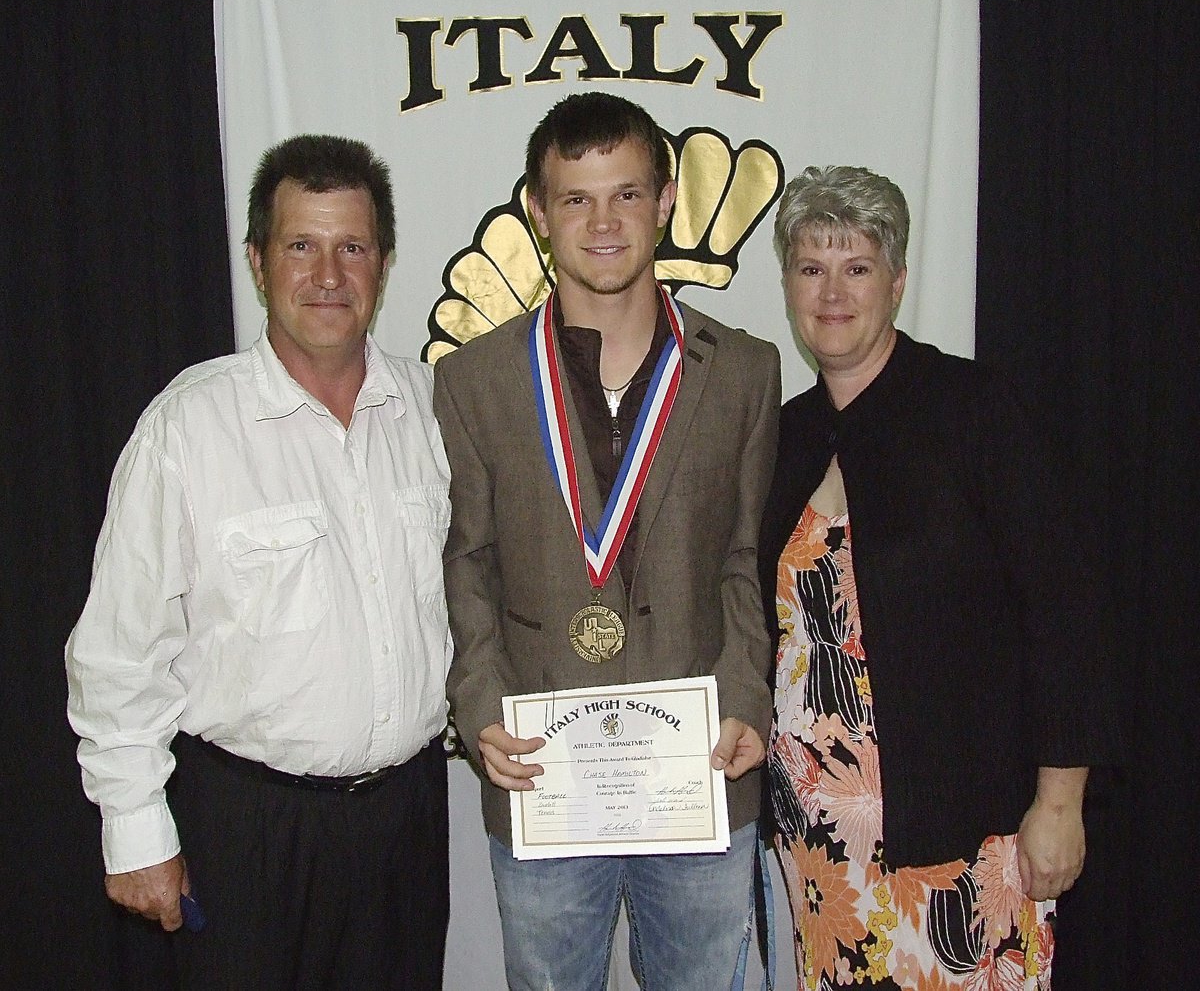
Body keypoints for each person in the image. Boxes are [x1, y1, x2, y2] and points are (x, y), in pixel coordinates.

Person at [65, 134, 451, 989]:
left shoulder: (428, 410)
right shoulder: (188, 427)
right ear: (256, 260)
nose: (327, 275)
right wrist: (134, 830)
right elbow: (119, 651)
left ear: (383, 264)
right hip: (250, 835)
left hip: (408, 827)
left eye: (351, 247)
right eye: (300, 246)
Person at [434, 92, 781, 991]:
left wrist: (747, 693)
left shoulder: (745, 371)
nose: (602, 221)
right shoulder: (473, 382)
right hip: (542, 770)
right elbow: (465, 563)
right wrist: (480, 705)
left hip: (701, 767)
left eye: (626, 194)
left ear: (666, 201)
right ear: (538, 211)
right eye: (576, 198)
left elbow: (747, 557)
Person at [760, 166, 1110, 989]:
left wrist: (1061, 801)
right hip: (819, 844)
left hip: (962, 839)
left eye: (858, 267)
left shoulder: (975, 408)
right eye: (812, 268)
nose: (833, 292)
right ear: (788, 286)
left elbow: (1066, 609)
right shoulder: (785, 437)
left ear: (899, 282)